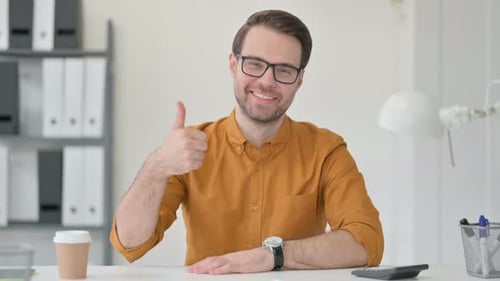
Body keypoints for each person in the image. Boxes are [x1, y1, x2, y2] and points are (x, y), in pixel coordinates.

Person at [110, 9, 384, 274]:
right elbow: (130, 244)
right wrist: (156, 166)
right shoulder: (190, 148)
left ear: (299, 81)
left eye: (285, 70)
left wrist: (272, 256)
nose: (266, 81)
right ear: (233, 64)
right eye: (255, 64)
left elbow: (366, 242)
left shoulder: (326, 150)